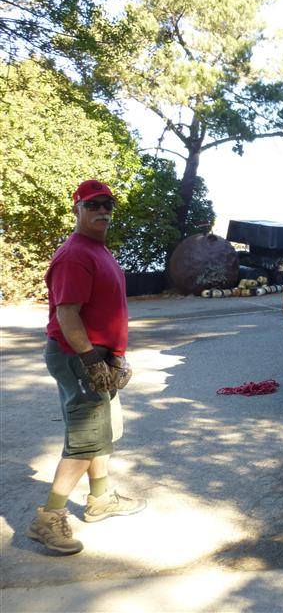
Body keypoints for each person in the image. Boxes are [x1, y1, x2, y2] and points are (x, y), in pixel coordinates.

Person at [27, 180, 146, 555]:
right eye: (93, 204)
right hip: (77, 355)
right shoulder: (74, 255)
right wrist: (92, 359)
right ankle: (48, 518)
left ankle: (100, 499)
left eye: (107, 204)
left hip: (96, 354)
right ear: (76, 208)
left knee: (101, 431)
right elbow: (67, 314)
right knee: (86, 438)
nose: (102, 210)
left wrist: (115, 355)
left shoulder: (98, 250)